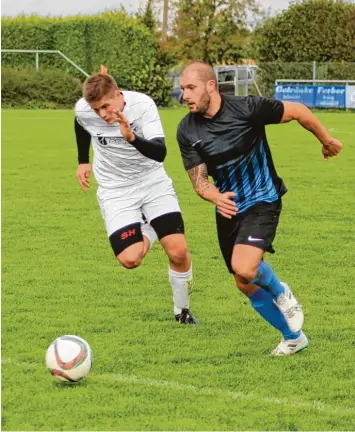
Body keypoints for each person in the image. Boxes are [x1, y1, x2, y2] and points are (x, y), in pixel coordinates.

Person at [176, 61, 342, 355]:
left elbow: (299, 112)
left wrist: (326, 140)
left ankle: (282, 293)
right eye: (182, 89)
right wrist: (214, 196)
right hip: (228, 207)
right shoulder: (187, 129)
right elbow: (199, 180)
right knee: (243, 282)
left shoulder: (247, 108)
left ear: (210, 86)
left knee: (245, 266)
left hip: (263, 197)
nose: (185, 95)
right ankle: (293, 337)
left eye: (191, 88)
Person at [74, 67, 197, 324]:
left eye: (107, 107)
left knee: (178, 251)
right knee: (130, 260)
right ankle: (151, 226)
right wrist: (83, 161)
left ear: (117, 94)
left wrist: (131, 137)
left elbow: (160, 152)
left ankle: (182, 311)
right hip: (115, 190)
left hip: (152, 182)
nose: (103, 114)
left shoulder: (143, 106)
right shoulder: (84, 110)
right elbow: (80, 123)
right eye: (97, 110)